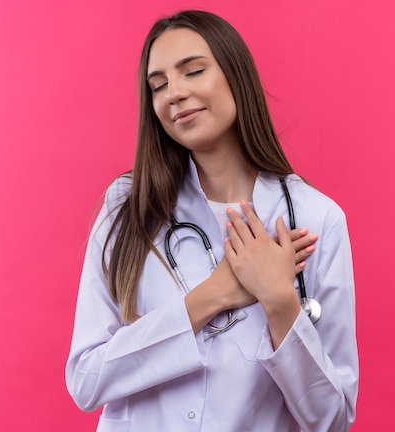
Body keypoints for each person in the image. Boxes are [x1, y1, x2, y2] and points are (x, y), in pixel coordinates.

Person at [66, 9, 358, 432]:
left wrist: (280, 302)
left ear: (236, 75)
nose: (174, 94)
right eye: (158, 85)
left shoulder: (317, 219)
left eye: (193, 71)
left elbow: (331, 420)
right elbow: (86, 379)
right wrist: (213, 295)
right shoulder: (126, 207)